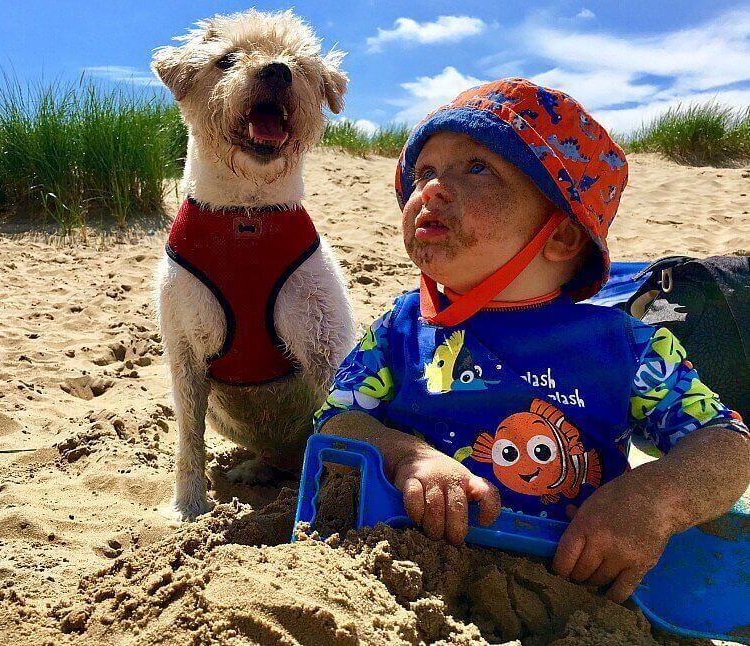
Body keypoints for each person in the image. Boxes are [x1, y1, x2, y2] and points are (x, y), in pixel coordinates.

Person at [314, 78, 749, 602]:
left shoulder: (627, 347)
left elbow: (726, 443)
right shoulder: (401, 328)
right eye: (424, 171)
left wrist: (655, 497)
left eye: (478, 168)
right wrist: (406, 455)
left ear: (562, 235)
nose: (429, 188)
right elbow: (336, 421)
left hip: (570, 590)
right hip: (402, 574)